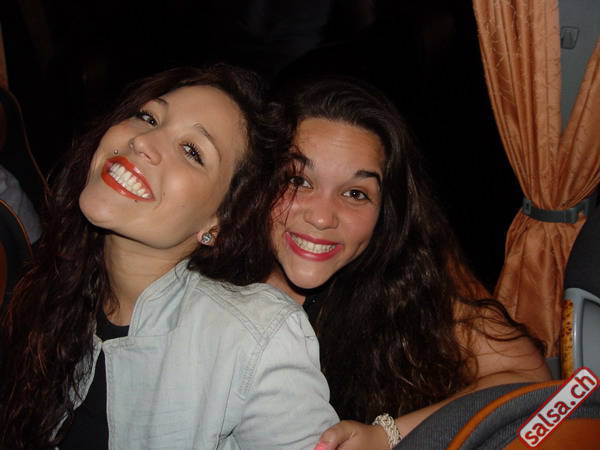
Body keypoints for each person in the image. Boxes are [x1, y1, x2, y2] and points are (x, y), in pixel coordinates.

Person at [0, 65, 338, 449]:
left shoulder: (254, 339)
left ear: (219, 222)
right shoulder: (52, 292)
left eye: (192, 151)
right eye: (148, 117)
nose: (143, 141)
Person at [265, 77, 551, 449]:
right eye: (299, 181)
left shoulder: (402, 281)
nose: (322, 217)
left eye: (355, 193)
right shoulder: (210, 282)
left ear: (385, 213)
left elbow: (528, 379)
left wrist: (387, 436)